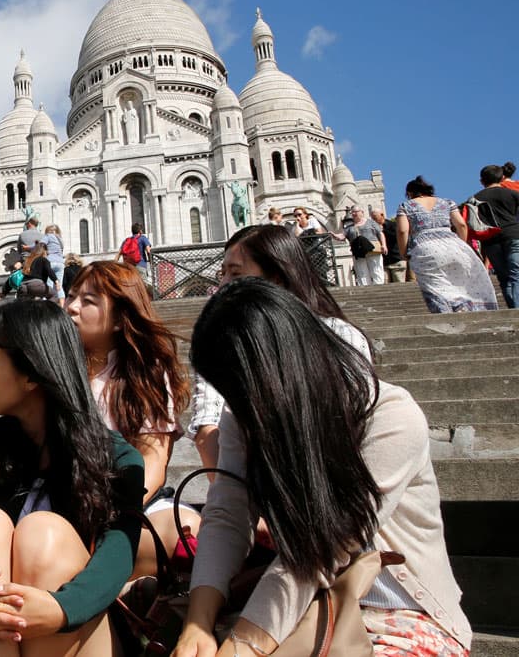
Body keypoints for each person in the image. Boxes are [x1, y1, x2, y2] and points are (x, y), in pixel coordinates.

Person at [174, 278, 471, 657]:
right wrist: (197, 624)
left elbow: (326, 546)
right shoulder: (245, 416)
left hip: (399, 612)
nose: (233, 404)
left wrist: (241, 647)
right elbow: (227, 515)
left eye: (239, 387)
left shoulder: (391, 417)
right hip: (298, 606)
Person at [0, 300, 145, 656]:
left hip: (74, 626)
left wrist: (61, 609)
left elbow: (118, 555)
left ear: (32, 375)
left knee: (44, 533)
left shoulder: (118, 458)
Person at [188, 225, 373, 472]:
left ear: (276, 277)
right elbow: (207, 430)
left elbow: (361, 429)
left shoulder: (340, 336)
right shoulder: (221, 343)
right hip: (246, 489)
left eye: (235, 273)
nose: (223, 285)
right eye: (222, 274)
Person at [65, 261, 193, 578]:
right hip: (64, 500)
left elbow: (153, 457)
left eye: (88, 301)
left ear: (121, 319)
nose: (71, 308)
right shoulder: (53, 368)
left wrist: (119, 511)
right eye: (71, 296)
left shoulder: (144, 374)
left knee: (187, 535)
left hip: (130, 500)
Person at [398, 175, 498, 313]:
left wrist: (404, 253)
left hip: (425, 248)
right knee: (460, 283)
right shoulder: (447, 202)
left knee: (435, 288)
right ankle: (467, 308)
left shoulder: (406, 206)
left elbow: (403, 231)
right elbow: (461, 225)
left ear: (409, 193)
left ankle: (445, 315)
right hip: (453, 244)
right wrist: (461, 244)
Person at [471, 165, 519, 308]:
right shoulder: (511, 194)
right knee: (515, 273)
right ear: (502, 178)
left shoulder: (475, 198)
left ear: (481, 181)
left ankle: (513, 307)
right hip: (513, 235)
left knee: (503, 277)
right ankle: (516, 309)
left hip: (490, 240)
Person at [343, 206, 387, 286]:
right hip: (358, 251)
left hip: (373, 249)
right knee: (361, 272)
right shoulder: (349, 227)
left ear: (362, 212)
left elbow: (380, 233)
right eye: (352, 212)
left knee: (376, 270)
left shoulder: (371, 222)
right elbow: (342, 236)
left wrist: (384, 245)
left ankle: (379, 289)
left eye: (355, 211)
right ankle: (366, 290)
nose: (353, 213)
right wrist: (334, 235)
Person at [370, 206, 406, 283]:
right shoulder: (373, 230)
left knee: (399, 284)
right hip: (384, 262)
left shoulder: (393, 225)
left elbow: (397, 237)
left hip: (396, 260)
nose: (374, 220)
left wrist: (383, 231)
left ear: (382, 215)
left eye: (375, 217)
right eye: (372, 218)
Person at [42, 225, 67, 301]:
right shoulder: (60, 240)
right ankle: (62, 307)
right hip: (61, 263)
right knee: (59, 285)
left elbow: (41, 244)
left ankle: (47, 305)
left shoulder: (48, 236)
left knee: (49, 284)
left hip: (51, 262)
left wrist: (29, 247)